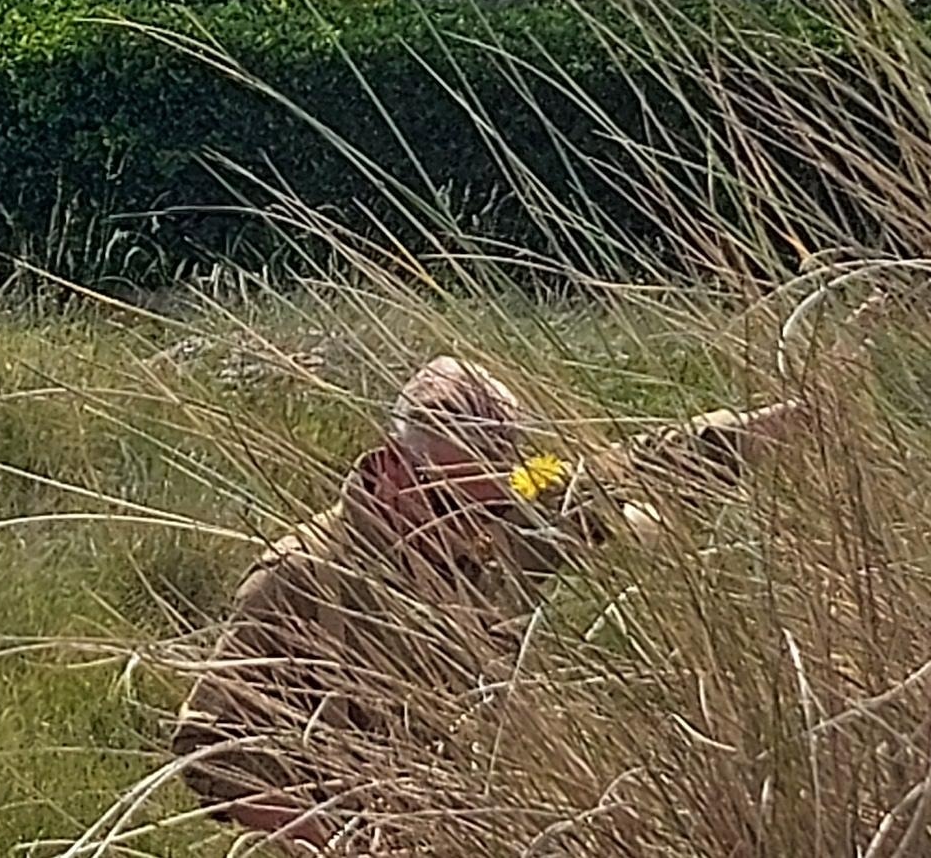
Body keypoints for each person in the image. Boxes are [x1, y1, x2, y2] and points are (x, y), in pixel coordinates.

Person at [169, 358, 779, 852]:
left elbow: (627, 469)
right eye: (451, 506)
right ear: (391, 467)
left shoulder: (513, 503)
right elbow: (210, 753)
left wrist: (782, 420)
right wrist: (334, 841)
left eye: (491, 507)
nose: (477, 532)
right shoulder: (302, 575)